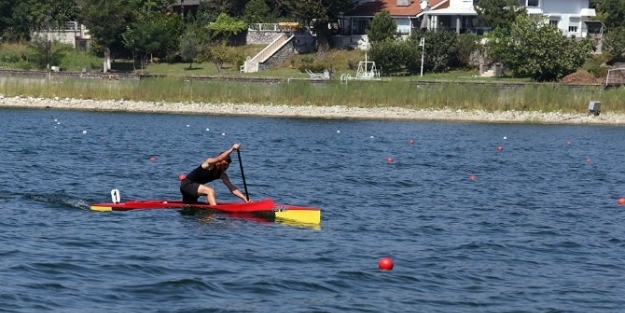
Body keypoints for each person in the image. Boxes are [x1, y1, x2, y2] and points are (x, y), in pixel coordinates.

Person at [180, 143, 250, 205]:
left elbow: (232, 188)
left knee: (191, 204)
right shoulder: (209, 163)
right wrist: (232, 149)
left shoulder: (222, 175)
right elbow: (219, 158)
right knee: (210, 191)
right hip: (187, 185)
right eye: (224, 164)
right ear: (219, 161)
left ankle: (209, 211)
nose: (226, 167)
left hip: (194, 189)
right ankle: (214, 211)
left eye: (227, 165)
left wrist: (245, 199)